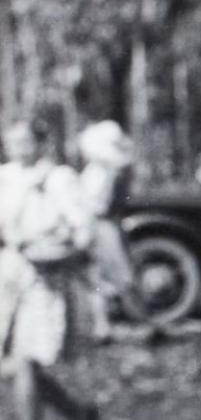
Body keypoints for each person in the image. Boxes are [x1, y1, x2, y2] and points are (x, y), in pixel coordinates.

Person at [0, 109, 100, 420]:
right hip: (11, 275)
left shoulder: (59, 178)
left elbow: (82, 228)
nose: (19, 149)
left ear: (41, 143)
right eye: (12, 142)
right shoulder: (5, 178)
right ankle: (79, 414)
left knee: (28, 359)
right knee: (14, 362)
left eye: (26, 141)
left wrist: (62, 249)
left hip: (48, 276)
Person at [78, 120, 141, 341]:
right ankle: (103, 324)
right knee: (103, 275)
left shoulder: (106, 171)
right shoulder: (101, 171)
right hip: (100, 224)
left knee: (109, 274)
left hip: (106, 223)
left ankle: (113, 321)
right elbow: (100, 203)